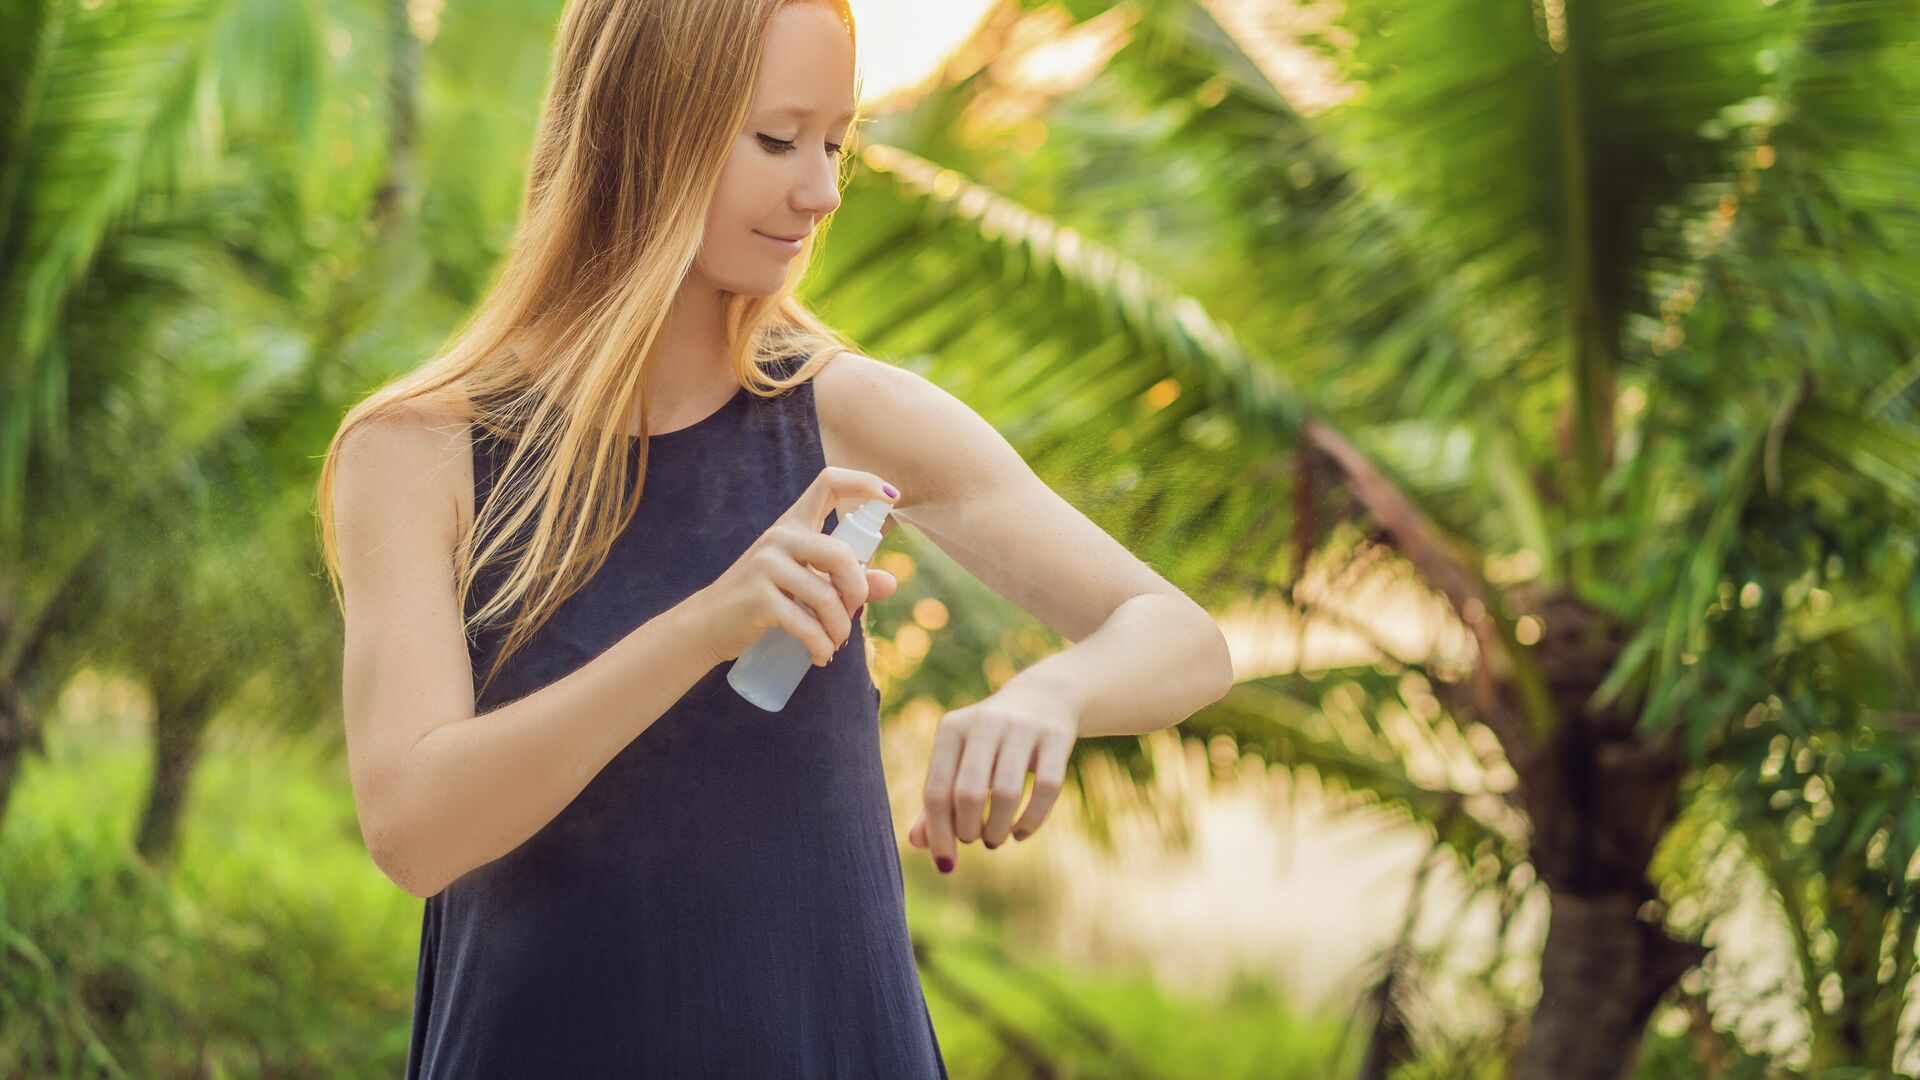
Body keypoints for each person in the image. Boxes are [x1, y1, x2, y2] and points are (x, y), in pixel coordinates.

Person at [316, 0, 1233, 1075]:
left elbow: (1182, 637)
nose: (823, 190)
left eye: (837, 142)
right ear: (643, 123)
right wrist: (704, 627)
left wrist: (1052, 696)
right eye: (777, 139)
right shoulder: (419, 452)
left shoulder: (848, 413)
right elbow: (415, 831)